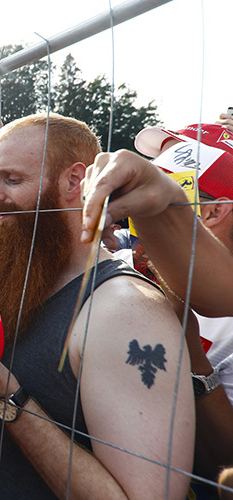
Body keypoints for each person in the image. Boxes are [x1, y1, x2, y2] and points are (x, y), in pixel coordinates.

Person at [0, 113, 194, 499]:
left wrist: (5, 393)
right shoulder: (15, 276)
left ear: (74, 182)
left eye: (12, 180)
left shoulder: (127, 311)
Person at [81, 122, 233, 494]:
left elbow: (225, 464)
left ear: (213, 211)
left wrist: (191, 352)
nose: (130, 205)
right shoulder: (121, 264)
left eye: (166, 185)